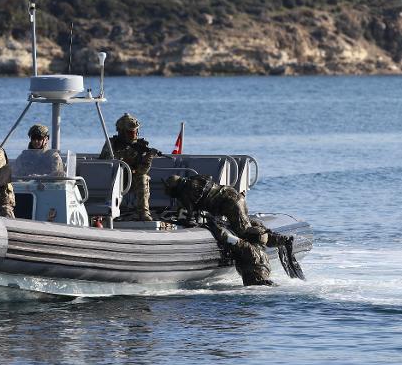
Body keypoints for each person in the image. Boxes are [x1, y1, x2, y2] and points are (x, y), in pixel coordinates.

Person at [163, 174, 304, 279]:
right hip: (232, 195)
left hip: (229, 204)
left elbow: (189, 216)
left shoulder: (186, 193)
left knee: (245, 232)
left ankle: (282, 240)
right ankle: (274, 237)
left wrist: (210, 225)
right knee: (246, 226)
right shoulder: (195, 179)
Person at [99, 113, 154, 221]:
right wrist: (124, 156)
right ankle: (107, 212)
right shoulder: (112, 144)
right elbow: (104, 163)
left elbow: (142, 171)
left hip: (130, 180)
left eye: (136, 131)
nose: (135, 134)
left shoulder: (140, 146)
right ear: (122, 132)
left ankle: (143, 212)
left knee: (143, 178)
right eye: (131, 132)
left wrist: (148, 159)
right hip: (113, 179)